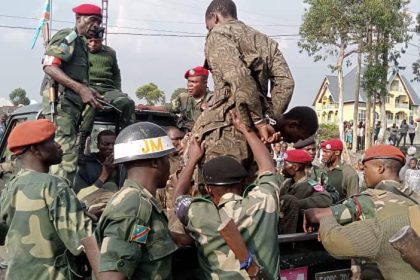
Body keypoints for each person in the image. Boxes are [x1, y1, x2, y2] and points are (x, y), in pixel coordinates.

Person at [174, 109, 281, 279]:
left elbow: (178, 197)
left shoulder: (199, 214)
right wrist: (246, 130)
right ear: (242, 182)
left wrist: (193, 159)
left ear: (209, 189)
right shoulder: (264, 201)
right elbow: (267, 167)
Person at [193, 0, 298, 167]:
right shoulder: (265, 41)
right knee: (255, 189)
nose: (209, 30)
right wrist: (267, 118)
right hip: (259, 137)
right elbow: (286, 83)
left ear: (214, 17)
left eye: (208, 26)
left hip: (226, 129)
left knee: (219, 189)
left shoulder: (218, 34)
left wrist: (257, 121)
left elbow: (239, 77)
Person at [304, 144, 420, 279]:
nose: (363, 172)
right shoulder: (413, 196)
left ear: (380, 168)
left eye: (365, 168)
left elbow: (323, 219)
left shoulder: (367, 200)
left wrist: (313, 215)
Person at [0, 119, 92, 279]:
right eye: (51, 140)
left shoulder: (12, 185)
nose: (58, 145)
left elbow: (3, 233)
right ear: (35, 149)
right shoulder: (54, 185)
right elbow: (83, 242)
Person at [95, 122, 177, 279]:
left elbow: (137, 245)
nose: (170, 164)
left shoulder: (139, 201)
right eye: (167, 158)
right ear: (155, 162)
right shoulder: (133, 206)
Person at [41, 4, 103, 183]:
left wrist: (88, 89)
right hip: (62, 109)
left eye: (98, 21)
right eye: (92, 20)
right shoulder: (69, 37)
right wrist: (80, 89)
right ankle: (60, 206)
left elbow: (72, 75)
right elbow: (50, 66)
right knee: (66, 162)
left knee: (67, 161)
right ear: (78, 19)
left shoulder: (81, 43)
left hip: (72, 110)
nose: (96, 25)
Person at [79, 29, 135, 144]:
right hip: (89, 88)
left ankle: (125, 138)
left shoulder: (110, 52)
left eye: (97, 41)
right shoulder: (80, 51)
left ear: (102, 40)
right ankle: (82, 141)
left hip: (108, 90)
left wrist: (118, 90)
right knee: (92, 103)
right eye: (90, 41)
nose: (93, 44)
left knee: (127, 103)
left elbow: (116, 73)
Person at [139, 66, 213, 132]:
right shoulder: (183, 97)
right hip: (186, 133)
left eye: (194, 82)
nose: (189, 85)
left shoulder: (213, 98)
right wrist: (148, 107)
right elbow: (168, 108)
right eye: (189, 81)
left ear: (205, 83)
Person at [279, 149, 332, 233]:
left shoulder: (311, 184)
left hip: (300, 233)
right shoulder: (286, 183)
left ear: (295, 167)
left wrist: (297, 204)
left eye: (286, 164)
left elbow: (326, 199)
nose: (284, 167)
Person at [294, 136, 339, 203]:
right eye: (308, 149)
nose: (312, 152)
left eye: (314, 149)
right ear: (298, 151)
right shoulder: (288, 171)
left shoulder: (320, 173)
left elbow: (335, 195)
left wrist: (321, 198)